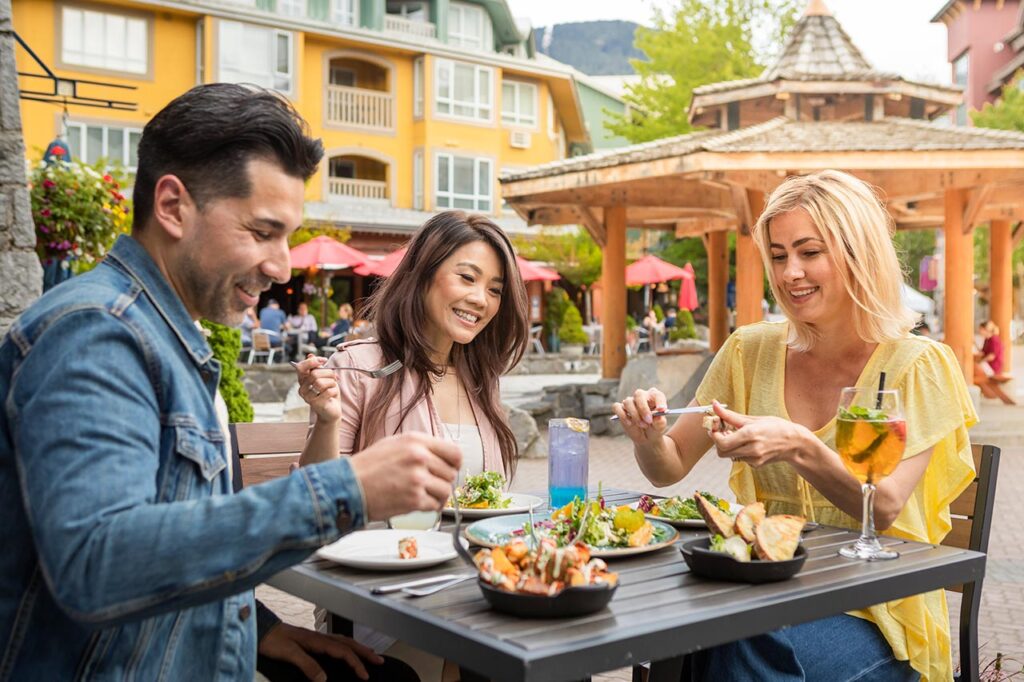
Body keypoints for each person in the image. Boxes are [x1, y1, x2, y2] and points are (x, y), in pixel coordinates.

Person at [0, 83, 463, 681]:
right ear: (172, 206)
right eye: (262, 231)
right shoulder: (95, 334)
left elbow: (173, 538)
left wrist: (259, 628)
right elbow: (99, 564)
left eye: (288, 238)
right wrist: (346, 487)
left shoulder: (164, 335)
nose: (282, 265)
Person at [613, 170, 977, 682]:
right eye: (779, 256)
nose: (790, 274)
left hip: (877, 606)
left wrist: (800, 446)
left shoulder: (919, 366)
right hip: (767, 589)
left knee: (729, 643)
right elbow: (667, 468)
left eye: (810, 252)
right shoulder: (750, 349)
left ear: (858, 252)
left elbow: (887, 507)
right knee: (699, 633)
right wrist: (649, 437)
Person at [294, 210, 530, 677]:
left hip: (471, 585)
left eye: (495, 289)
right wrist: (326, 420)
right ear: (423, 273)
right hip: (385, 595)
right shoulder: (361, 366)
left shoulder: (482, 381)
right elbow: (313, 499)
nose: (480, 299)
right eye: (468, 277)